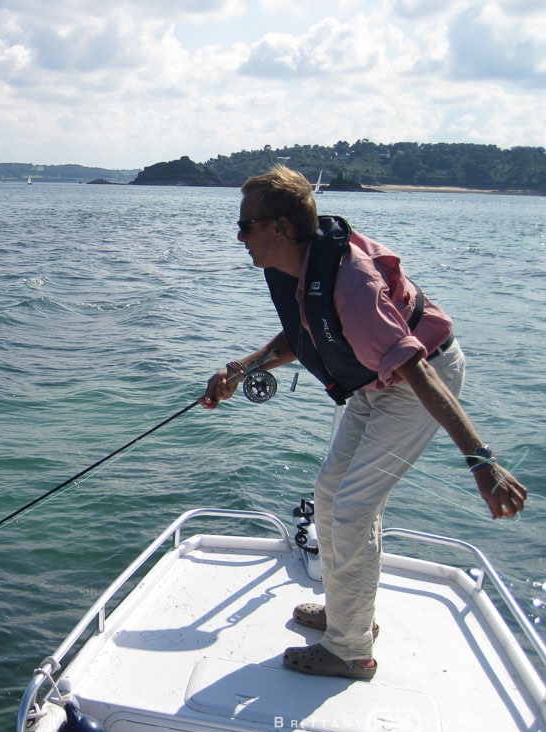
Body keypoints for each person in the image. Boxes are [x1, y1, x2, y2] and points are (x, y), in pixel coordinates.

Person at [201, 165, 527, 680]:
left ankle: (351, 651)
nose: (239, 236)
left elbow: (417, 370)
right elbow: (303, 336)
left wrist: (481, 460)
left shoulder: (351, 284)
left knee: (354, 508)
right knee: (331, 492)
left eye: (246, 225)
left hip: (421, 379)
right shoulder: (299, 268)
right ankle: (346, 614)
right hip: (379, 385)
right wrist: (242, 368)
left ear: (279, 227)